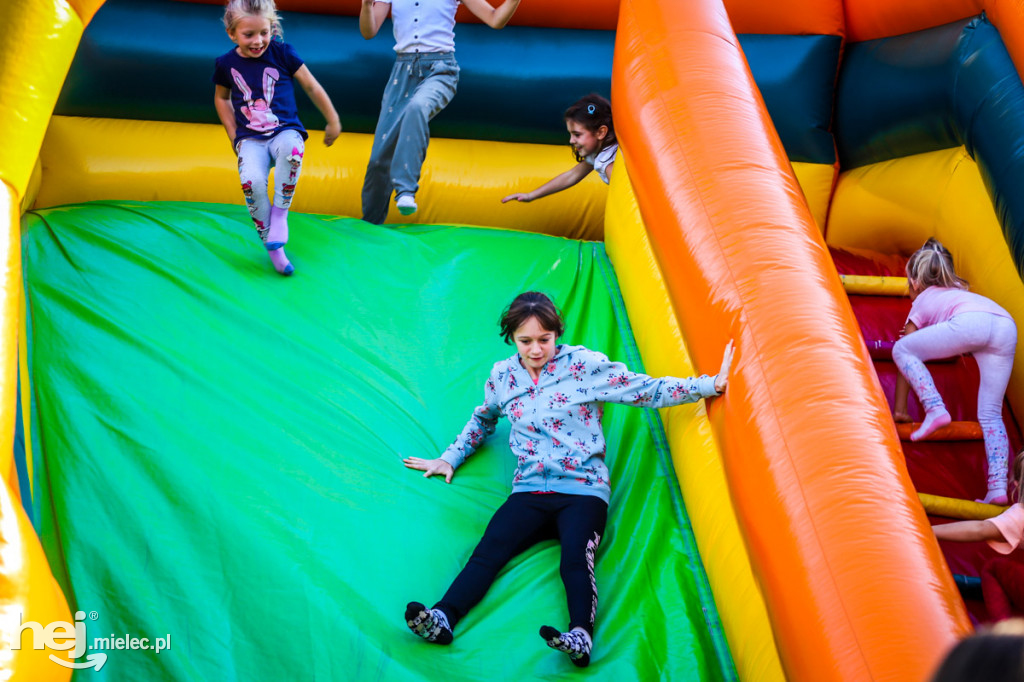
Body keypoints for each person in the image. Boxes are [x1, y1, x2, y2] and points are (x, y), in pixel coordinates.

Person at [401, 291, 734, 667]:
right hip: (529, 489)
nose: (537, 349)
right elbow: (484, 418)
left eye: (545, 339)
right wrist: (451, 457)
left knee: (575, 559)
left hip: (582, 490)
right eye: (526, 341)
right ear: (511, 337)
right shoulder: (502, 376)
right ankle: (442, 618)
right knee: (488, 551)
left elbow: (643, 389)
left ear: (557, 333)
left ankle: (580, 636)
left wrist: (707, 386)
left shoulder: (584, 366)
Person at [358, 0, 522, 223]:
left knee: (417, 107)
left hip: (440, 70)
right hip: (402, 72)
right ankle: (371, 223)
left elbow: (495, 19)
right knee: (379, 159)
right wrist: (367, 6)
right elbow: (369, 32)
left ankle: (405, 189)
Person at [213, 0, 341, 276]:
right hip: (250, 139)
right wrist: (233, 135)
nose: (258, 41)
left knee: (293, 150)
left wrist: (332, 119)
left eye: (264, 32)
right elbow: (222, 98)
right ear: (232, 33)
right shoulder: (226, 64)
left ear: (272, 27)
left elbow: (311, 85)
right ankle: (274, 249)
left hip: (284, 131)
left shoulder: (282, 53)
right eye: (249, 35)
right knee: (251, 182)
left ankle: (280, 215)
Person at [892, 238, 1017, 504]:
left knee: (901, 350)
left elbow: (906, 351)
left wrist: (900, 410)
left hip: (971, 325)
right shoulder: (959, 292)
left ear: (914, 283)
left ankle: (935, 407)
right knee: (991, 415)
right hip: (1005, 325)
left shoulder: (922, 301)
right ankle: (997, 488)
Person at [934, 452, 1024, 623]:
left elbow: (980, 529)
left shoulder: (1020, 514)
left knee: (994, 569)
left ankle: (1003, 628)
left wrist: (928, 531)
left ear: (1016, 485)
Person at [501, 94, 617, 204]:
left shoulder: (608, 163)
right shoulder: (599, 154)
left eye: (577, 135)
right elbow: (571, 176)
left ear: (601, 132)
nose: (571, 141)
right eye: (570, 134)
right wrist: (531, 195)